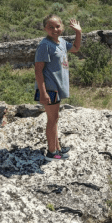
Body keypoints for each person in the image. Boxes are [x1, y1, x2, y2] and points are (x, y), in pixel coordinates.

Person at [35, 14, 82, 161]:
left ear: (62, 27)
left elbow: (75, 48)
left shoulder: (61, 42)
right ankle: (51, 152)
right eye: (51, 27)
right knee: (52, 119)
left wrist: (78, 32)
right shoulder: (45, 45)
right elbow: (38, 70)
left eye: (57, 26)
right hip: (49, 88)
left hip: (57, 87)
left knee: (55, 118)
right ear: (45, 29)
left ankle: (58, 148)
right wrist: (43, 93)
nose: (55, 29)